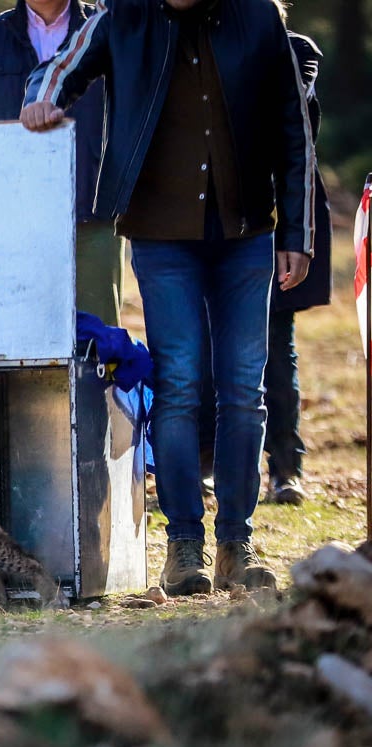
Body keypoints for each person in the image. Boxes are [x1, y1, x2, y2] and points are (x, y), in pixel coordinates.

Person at [21, 0, 314, 596]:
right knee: (178, 383)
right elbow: (60, 66)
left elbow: (294, 128)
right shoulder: (123, 16)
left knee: (243, 389)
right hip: (159, 233)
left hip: (248, 231)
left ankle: (238, 540)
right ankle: (184, 547)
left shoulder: (257, 17)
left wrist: (299, 233)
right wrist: (42, 98)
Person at [197, 30, 331, 508]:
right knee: (204, 347)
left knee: (276, 350)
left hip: (278, 218)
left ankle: (285, 467)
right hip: (206, 216)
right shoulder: (191, 42)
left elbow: (295, 126)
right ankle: (209, 460)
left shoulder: (297, 51)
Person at [0, 0, 121, 326]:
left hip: (94, 217)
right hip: (11, 228)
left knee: (99, 347)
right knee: (19, 344)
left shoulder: (107, 27)